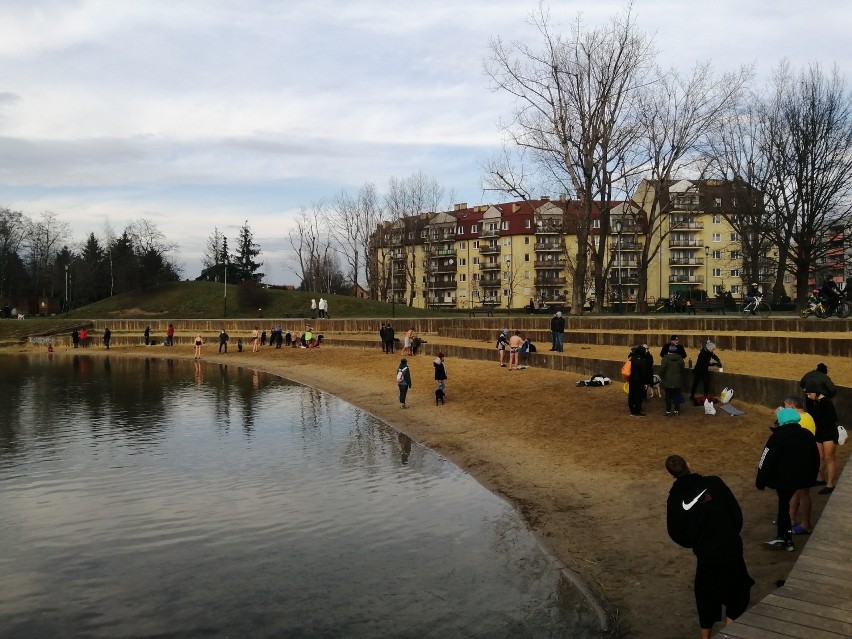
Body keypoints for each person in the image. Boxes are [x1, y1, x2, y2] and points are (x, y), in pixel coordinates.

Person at [665, 455, 754, 639]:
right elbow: (735, 512)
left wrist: (695, 542)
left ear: (671, 475)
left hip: (705, 553)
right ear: (689, 465)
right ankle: (730, 629)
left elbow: (675, 533)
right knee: (738, 588)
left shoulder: (675, 500)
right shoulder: (715, 483)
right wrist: (731, 532)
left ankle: (705, 636)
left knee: (706, 595)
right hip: (730, 545)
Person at [756, 408, 820, 551]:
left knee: (783, 506)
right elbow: (815, 457)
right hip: (803, 478)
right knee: (792, 502)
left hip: (783, 480)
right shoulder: (807, 434)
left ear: (781, 421)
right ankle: (787, 536)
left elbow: (765, 460)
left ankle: (784, 537)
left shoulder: (777, 437)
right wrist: (812, 476)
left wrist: (760, 481)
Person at [780, 397, 816, 535]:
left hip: (801, 461)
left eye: (786, 407)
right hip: (804, 460)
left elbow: (789, 438)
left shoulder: (800, 420)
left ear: (793, 407)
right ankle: (791, 518)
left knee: (803, 493)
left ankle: (806, 523)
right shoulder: (808, 417)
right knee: (796, 492)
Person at [805, 386, 839, 495]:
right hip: (819, 431)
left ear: (816, 392)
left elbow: (832, 418)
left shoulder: (826, 402)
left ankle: (830, 484)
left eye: (810, 394)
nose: (808, 396)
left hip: (829, 432)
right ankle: (820, 479)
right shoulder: (812, 401)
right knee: (820, 456)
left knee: (829, 457)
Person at [659, 344, 686, 416]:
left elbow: (662, 370)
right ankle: (676, 410)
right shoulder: (680, 359)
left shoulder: (665, 359)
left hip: (667, 381)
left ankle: (668, 411)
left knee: (668, 396)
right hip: (677, 380)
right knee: (677, 396)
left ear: (669, 351)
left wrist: (661, 376)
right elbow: (682, 368)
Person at [627, 345, 653, 417]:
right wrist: (646, 382)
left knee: (631, 395)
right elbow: (644, 373)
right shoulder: (642, 361)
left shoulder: (632, 359)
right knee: (639, 396)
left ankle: (632, 411)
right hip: (639, 381)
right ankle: (637, 411)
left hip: (632, 379)